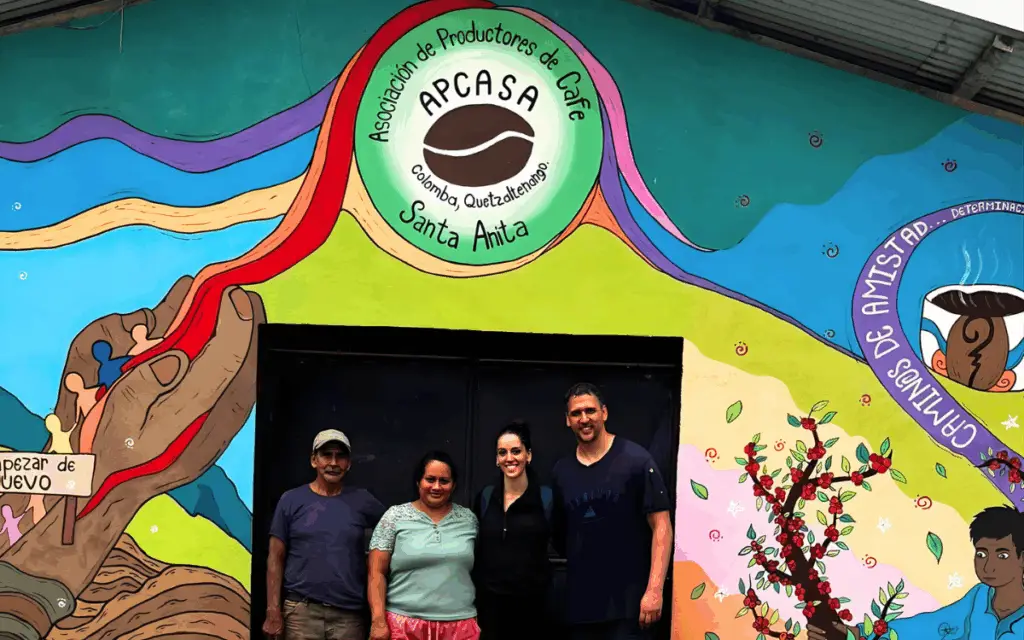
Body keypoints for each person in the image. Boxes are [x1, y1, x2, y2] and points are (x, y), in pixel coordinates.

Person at [551, 382, 674, 640]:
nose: (584, 419)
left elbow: (661, 525)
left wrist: (654, 590)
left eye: (590, 411)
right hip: (580, 609)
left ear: (604, 413)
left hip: (630, 608)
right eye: (576, 413)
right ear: (567, 420)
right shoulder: (562, 472)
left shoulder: (636, 461)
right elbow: (561, 534)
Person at [809, 504, 1024, 640]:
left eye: (1002, 555)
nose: (988, 566)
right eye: (981, 554)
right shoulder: (980, 597)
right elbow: (931, 626)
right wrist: (857, 634)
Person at [263, 429, 386, 640]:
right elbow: (275, 558)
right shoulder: (291, 500)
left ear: (349, 464)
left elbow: (392, 534)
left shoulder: (362, 501)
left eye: (341, 456)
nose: (334, 462)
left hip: (348, 615)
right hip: (301, 612)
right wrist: (273, 610)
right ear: (314, 460)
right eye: (326, 455)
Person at [368, 450, 481, 640]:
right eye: (430, 479)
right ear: (418, 482)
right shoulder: (395, 517)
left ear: (453, 486)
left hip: (459, 627)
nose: (436, 487)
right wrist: (378, 621)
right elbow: (376, 572)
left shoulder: (469, 520)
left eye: (444, 481)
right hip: (404, 626)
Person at [472, 421, 557, 638]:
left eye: (516, 451)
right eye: (503, 453)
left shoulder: (546, 499)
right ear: (496, 459)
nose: (509, 458)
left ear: (528, 455)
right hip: (490, 611)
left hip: (533, 612)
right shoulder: (485, 497)